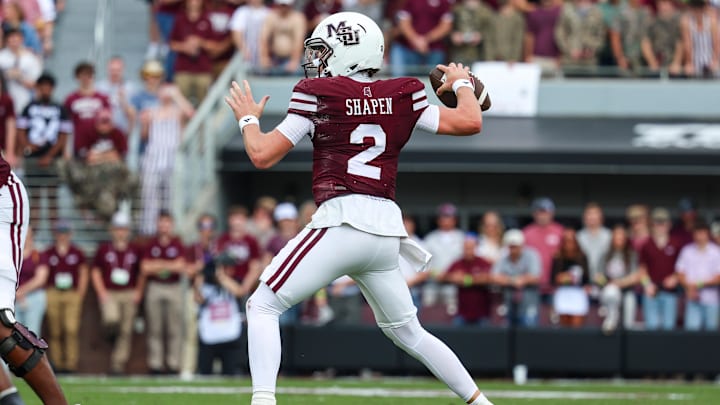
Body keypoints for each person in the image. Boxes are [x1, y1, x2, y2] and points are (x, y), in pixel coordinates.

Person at [225, 11, 492, 405]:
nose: (314, 60)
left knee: (262, 304)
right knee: (409, 332)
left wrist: (248, 118)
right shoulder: (404, 92)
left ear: (348, 52)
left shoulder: (318, 93)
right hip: (385, 231)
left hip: (342, 221)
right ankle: (480, 403)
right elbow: (471, 121)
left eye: (322, 51)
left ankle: (262, 402)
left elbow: (262, 155)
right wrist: (462, 83)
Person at [90, 212, 143, 374]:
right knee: (111, 319)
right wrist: (101, 292)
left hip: (128, 291)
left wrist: (138, 291)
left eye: (124, 229)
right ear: (113, 230)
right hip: (110, 292)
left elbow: (142, 272)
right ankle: (111, 334)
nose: (121, 232)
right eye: (118, 228)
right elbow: (95, 271)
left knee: (126, 330)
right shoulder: (104, 249)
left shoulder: (135, 249)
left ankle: (117, 365)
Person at [16, 72, 70, 223]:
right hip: (32, 160)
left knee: (53, 197)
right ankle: (33, 234)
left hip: (53, 160)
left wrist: (49, 156)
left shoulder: (60, 109)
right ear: (38, 88)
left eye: (49, 86)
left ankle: (55, 237)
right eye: (43, 86)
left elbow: (63, 136)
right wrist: (28, 145)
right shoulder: (28, 107)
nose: (46, 89)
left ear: (52, 88)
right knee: (35, 198)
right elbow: (20, 130)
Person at [139, 210, 187, 374]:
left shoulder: (177, 243)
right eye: (161, 222)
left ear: (171, 225)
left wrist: (158, 264)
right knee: (155, 328)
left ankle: (173, 364)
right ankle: (156, 364)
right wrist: (168, 264)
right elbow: (145, 268)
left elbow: (181, 266)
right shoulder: (151, 244)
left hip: (173, 287)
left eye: (167, 222)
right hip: (155, 287)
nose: (164, 226)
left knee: (174, 328)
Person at [43, 220, 88, 374]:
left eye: (65, 233)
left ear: (70, 234)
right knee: (55, 330)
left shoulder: (77, 252)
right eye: (60, 233)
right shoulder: (49, 252)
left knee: (71, 329)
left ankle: (70, 364)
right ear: (55, 234)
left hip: (71, 292)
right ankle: (57, 363)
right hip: (53, 291)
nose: (62, 236)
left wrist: (80, 293)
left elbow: (83, 272)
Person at [193, 252, 245, 375]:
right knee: (205, 375)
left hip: (230, 336)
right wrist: (198, 279)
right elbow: (198, 299)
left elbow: (239, 292)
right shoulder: (206, 284)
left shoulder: (233, 282)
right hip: (209, 336)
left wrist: (221, 277)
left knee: (230, 375)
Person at [638, 207, 682, 331]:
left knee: (669, 328)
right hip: (652, 291)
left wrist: (675, 277)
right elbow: (642, 269)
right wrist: (647, 285)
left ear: (669, 224)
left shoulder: (676, 243)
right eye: (657, 222)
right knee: (651, 327)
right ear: (652, 224)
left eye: (663, 222)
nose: (660, 226)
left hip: (670, 292)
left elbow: (683, 267)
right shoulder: (647, 244)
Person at [438, 235, 493, 327]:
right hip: (462, 313)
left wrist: (467, 280)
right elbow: (441, 277)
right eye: (466, 248)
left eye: (470, 248)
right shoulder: (458, 263)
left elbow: (489, 278)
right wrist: (452, 278)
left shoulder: (483, 262)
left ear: (475, 248)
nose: (468, 251)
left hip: (482, 313)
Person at [675, 220, 720, 331]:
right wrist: (689, 287)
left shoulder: (716, 252)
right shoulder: (687, 250)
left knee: (711, 335)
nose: (699, 236)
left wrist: (696, 285)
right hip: (692, 299)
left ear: (707, 234)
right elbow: (680, 273)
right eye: (697, 233)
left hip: (711, 300)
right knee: (691, 335)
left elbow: (718, 277)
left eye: (702, 233)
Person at [391, 0, 454, 77]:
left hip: (434, 48)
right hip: (406, 47)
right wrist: (416, 40)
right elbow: (403, 22)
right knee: (399, 80)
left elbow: (446, 26)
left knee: (433, 81)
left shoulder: (444, 2)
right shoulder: (409, 1)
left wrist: (426, 40)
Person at [492, 229, 541, 327]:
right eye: (511, 246)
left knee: (530, 336)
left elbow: (535, 277)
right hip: (508, 305)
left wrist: (514, 280)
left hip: (528, 304)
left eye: (516, 246)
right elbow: (494, 277)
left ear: (522, 245)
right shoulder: (503, 256)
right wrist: (514, 280)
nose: (513, 249)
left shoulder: (531, 255)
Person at [63, 62, 111, 159]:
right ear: (77, 77)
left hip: (99, 145)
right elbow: (65, 125)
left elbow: (108, 123)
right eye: (83, 75)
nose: (86, 79)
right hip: (79, 143)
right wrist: (66, 149)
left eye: (89, 75)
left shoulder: (102, 98)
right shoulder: (71, 99)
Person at [596, 224, 639, 333]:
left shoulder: (632, 255)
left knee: (628, 325)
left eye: (621, 237)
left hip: (627, 290)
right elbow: (598, 277)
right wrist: (608, 283)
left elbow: (636, 276)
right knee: (611, 292)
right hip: (608, 290)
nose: (618, 240)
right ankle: (611, 318)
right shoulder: (605, 255)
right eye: (616, 237)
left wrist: (619, 283)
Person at [551, 228, 590, 328]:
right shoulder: (558, 257)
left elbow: (586, 278)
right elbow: (554, 278)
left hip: (578, 294)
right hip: (563, 293)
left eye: (571, 240)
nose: (569, 244)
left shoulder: (582, 257)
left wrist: (566, 278)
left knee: (577, 325)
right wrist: (565, 278)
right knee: (564, 325)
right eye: (566, 240)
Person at [523, 197, 563, 289]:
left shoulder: (560, 231)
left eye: (545, 212)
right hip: (532, 284)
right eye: (539, 212)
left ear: (552, 213)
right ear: (534, 214)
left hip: (555, 284)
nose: (542, 215)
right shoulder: (526, 233)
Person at [0, 28, 42, 114]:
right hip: (4, 101)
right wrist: (5, 75)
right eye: (11, 37)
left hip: (24, 99)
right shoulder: (1, 57)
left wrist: (20, 77)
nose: (14, 40)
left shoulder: (30, 58)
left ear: (22, 39)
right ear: (6, 40)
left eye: (17, 37)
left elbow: (37, 84)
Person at [96, 56, 137, 135]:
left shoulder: (130, 88)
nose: (115, 73)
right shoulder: (98, 87)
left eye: (118, 70)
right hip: (101, 132)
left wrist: (123, 100)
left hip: (122, 131)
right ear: (107, 69)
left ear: (123, 70)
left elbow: (133, 115)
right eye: (112, 70)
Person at [577, 202, 611, 281]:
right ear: (584, 217)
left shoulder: (609, 236)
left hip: (605, 280)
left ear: (601, 217)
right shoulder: (578, 237)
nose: (592, 217)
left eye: (595, 213)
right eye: (589, 214)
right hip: (583, 281)